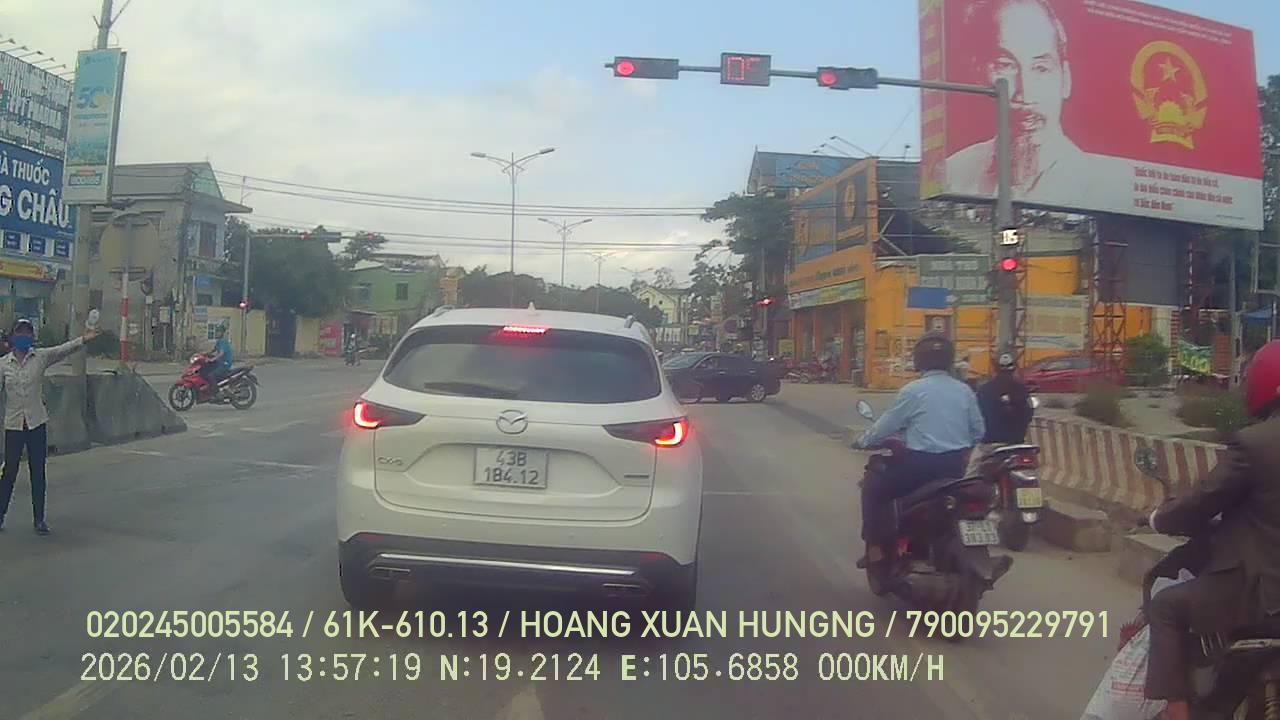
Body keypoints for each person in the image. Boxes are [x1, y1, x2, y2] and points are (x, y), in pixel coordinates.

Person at [1143, 339, 1280, 720]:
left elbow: (1203, 500)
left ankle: (1177, 711)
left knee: (1165, 606)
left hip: (1258, 597)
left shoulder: (1254, 443)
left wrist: (1159, 518)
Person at [853, 333, 986, 568]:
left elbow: (886, 426)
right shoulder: (964, 391)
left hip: (919, 469)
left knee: (873, 486)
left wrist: (864, 440)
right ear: (949, 360)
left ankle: (875, 548)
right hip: (955, 469)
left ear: (919, 360)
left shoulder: (913, 391)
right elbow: (978, 432)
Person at [945, 0, 1091, 203]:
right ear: (978, 72)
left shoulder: (1098, 184)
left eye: (1041, 68)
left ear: (1065, 79)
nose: (1025, 93)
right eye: (1005, 65)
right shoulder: (954, 173)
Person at [0, 319, 100, 534]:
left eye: (28, 333)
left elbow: (63, 350)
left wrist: (83, 339)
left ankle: (39, 520)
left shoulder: (40, 357)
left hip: (36, 423)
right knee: (9, 472)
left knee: (38, 472)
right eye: (20, 333)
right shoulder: (4, 364)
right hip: (14, 425)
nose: (24, 337)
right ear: (13, 336)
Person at [968, 352, 1035, 475]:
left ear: (995, 369)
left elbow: (975, 418)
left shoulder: (984, 390)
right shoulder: (1022, 389)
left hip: (989, 445)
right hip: (1016, 444)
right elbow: (1029, 414)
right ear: (1014, 368)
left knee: (970, 476)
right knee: (1028, 476)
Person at [201, 323, 234, 392]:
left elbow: (221, 353)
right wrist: (204, 354)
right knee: (207, 369)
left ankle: (215, 391)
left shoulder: (223, 341)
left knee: (211, 375)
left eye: (219, 331)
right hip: (220, 362)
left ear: (222, 333)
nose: (217, 333)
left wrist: (212, 359)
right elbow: (214, 350)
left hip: (225, 364)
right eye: (217, 331)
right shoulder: (219, 341)